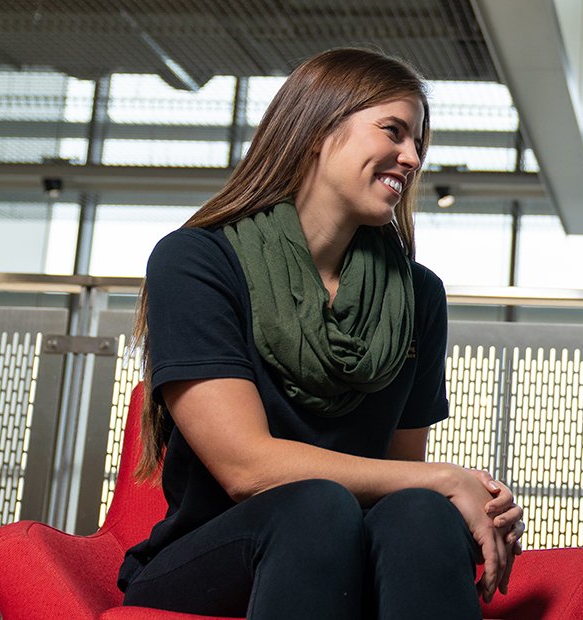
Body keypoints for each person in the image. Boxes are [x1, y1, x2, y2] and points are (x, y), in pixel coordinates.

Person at [116, 48, 525, 619]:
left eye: (418, 144)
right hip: (216, 554)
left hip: (351, 554)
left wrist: (457, 495)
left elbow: (402, 478)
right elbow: (245, 469)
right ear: (316, 130)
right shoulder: (196, 262)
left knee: (421, 513)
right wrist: (444, 478)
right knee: (314, 505)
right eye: (394, 132)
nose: (410, 158)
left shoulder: (418, 296)